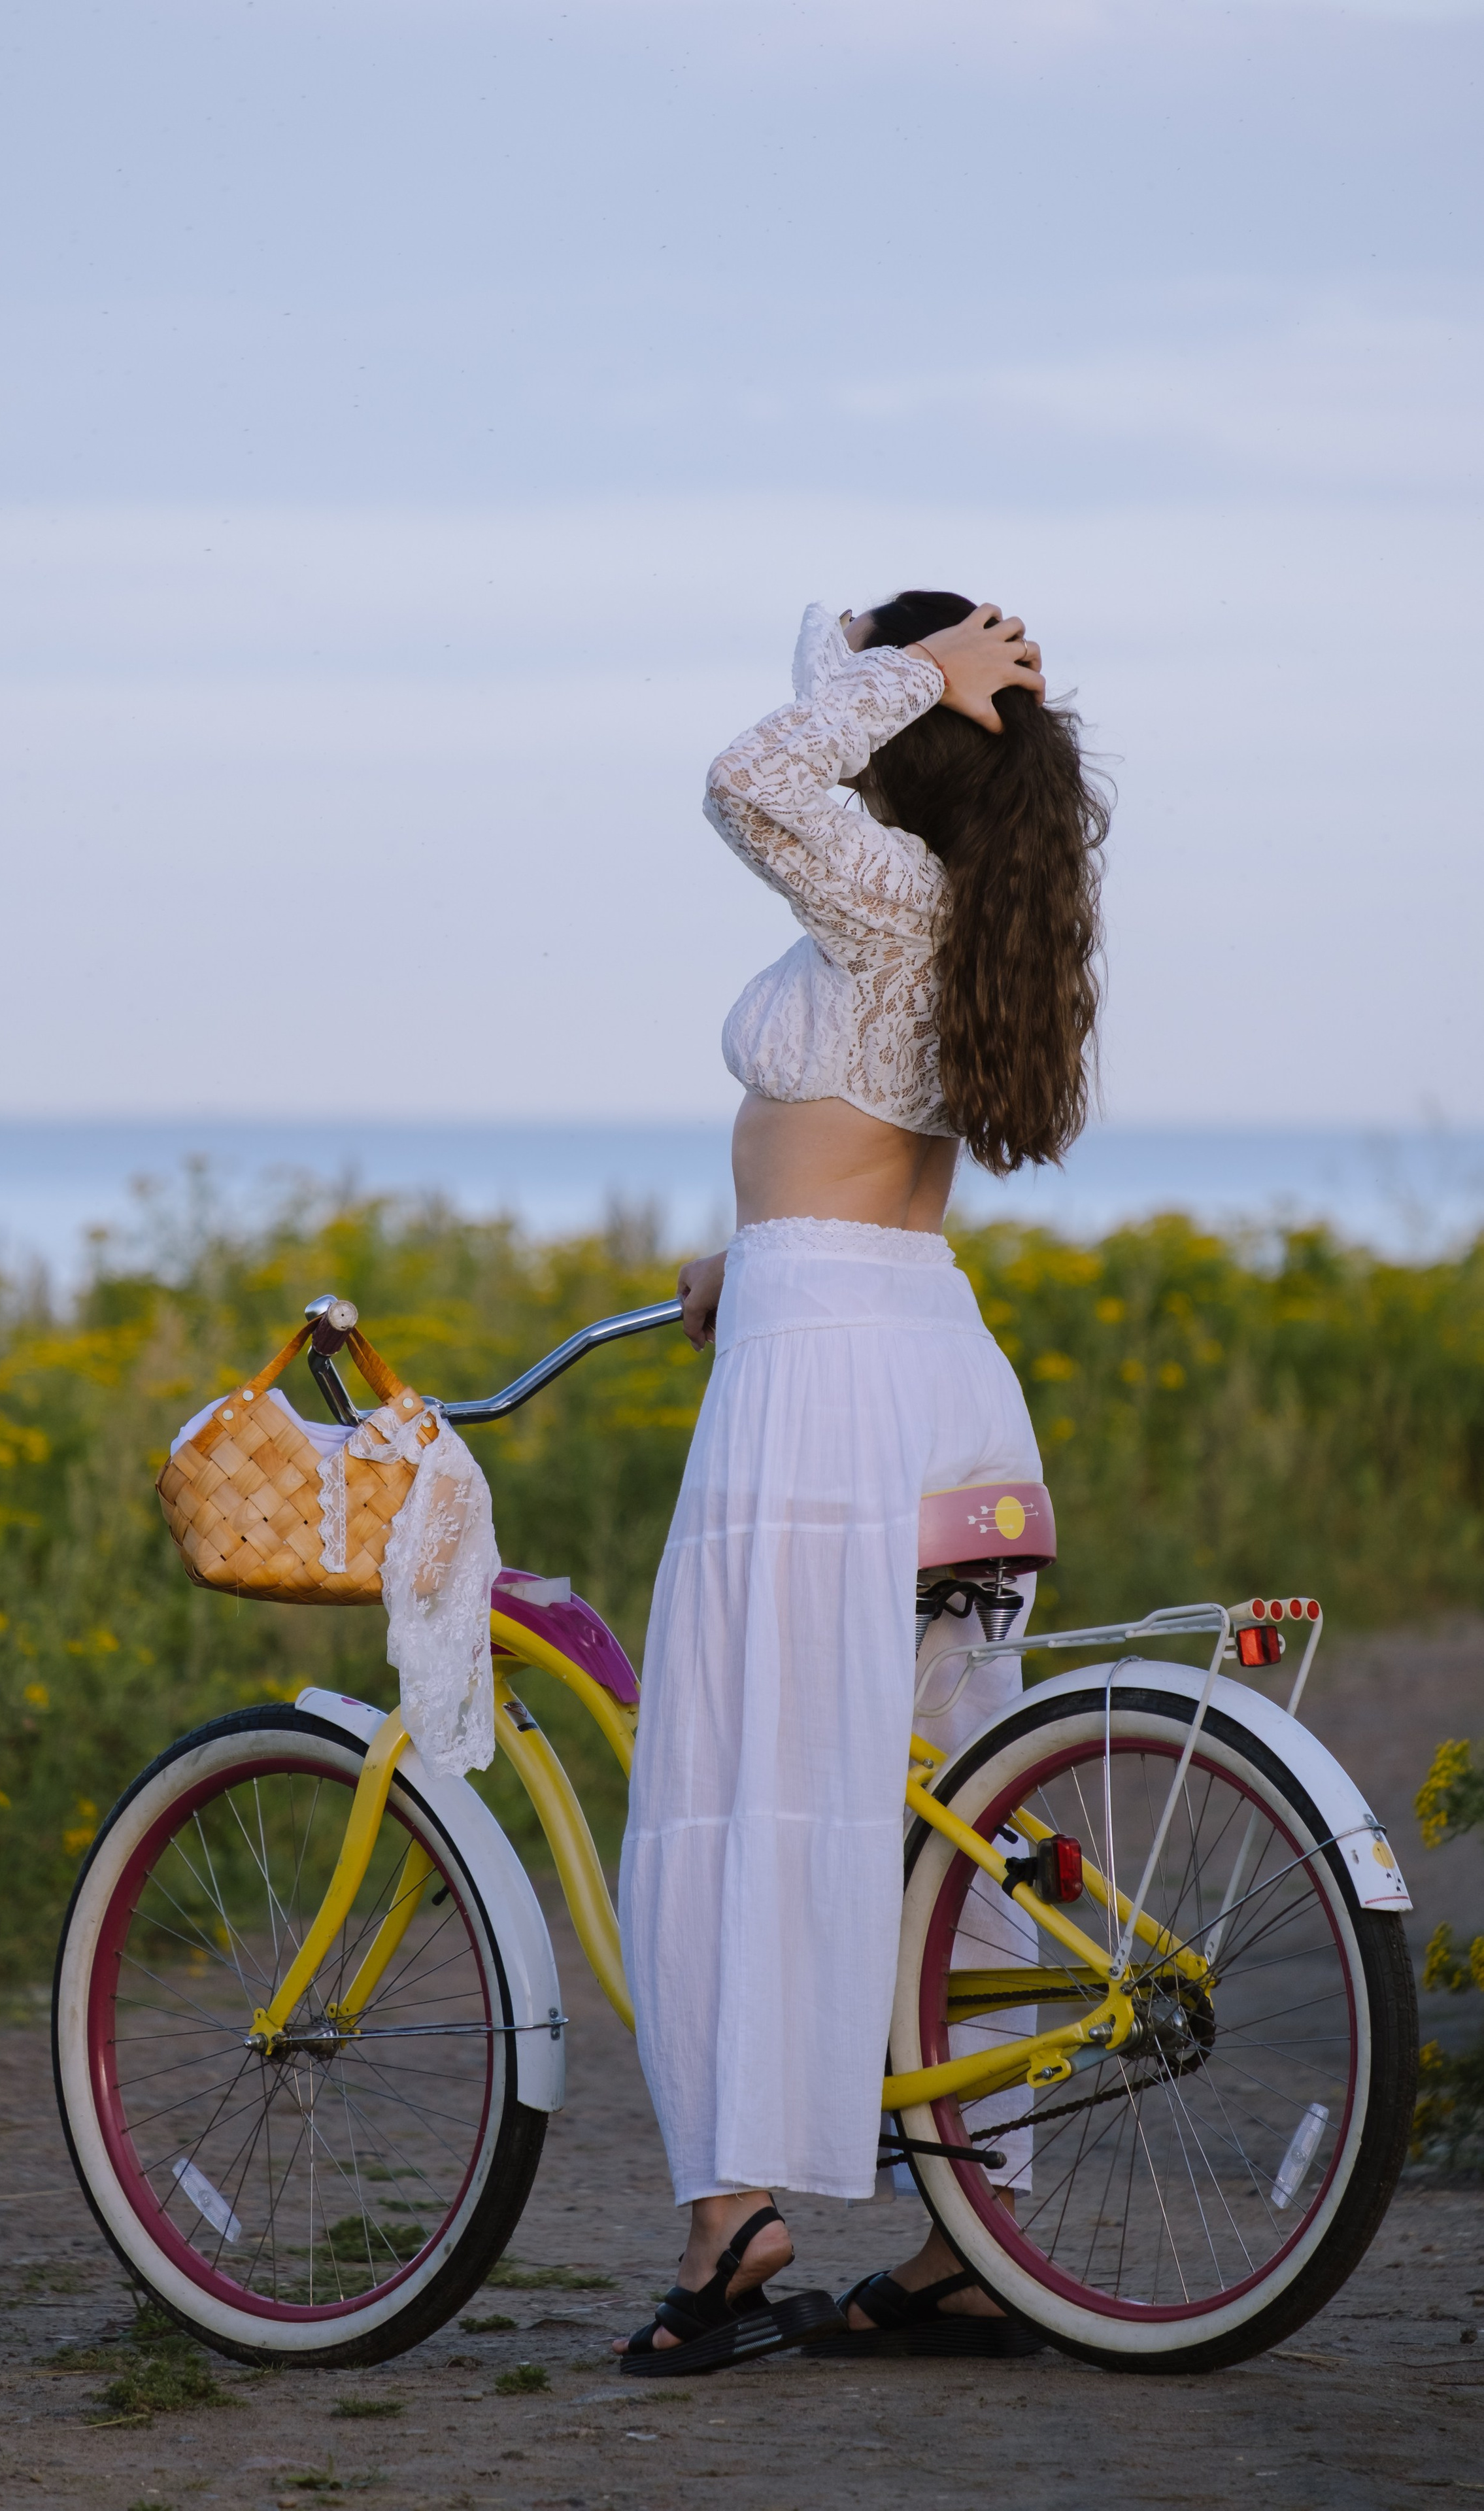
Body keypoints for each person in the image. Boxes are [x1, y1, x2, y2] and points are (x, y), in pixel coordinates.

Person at [613, 589, 1108, 2374]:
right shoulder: (972, 915)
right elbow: (867, 1163)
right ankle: (982, 2244)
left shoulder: (894, 894)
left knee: (753, 1783)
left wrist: (926, 674)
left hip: (822, 1392)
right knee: (938, 1813)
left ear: (901, 736)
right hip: (915, 1353)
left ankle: (732, 2225)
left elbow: (751, 777)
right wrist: (748, 1255)